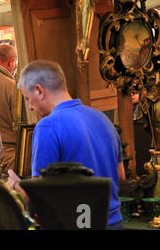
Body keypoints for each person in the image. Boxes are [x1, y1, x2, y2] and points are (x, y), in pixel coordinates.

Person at [7, 60, 125, 230]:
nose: (30, 107)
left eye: (27, 99)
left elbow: (39, 197)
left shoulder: (47, 126)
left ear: (39, 91)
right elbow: (120, 176)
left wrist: (15, 185)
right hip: (114, 223)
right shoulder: (102, 119)